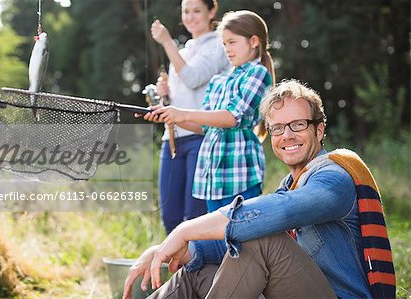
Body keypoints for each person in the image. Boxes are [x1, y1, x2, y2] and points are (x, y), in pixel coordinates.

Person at [124, 79, 396, 299]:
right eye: (277, 128)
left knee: (262, 236)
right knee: (198, 270)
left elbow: (281, 212)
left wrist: (184, 230)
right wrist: (181, 250)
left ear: (320, 129)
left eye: (298, 125)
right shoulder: (290, 184)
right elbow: (240, 241)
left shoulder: (335, 177)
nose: (286, 135)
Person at [146, 10, 276, 212]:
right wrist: (168, 115)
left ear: (254, 42)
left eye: (232, 42)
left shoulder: (257, 73)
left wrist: (183, 113)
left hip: (240, 175)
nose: (227, 49)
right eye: (224, 44)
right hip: (213, 180)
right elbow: (203, 126)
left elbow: (232, 117)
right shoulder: (218, 80)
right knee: (212, 240)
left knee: (239, 238)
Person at [149, 0, 231, 234]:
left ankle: (199, 270)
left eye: (197, 11)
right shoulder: (184, 50)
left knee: (194, 217)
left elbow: (193, 77)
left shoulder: (219, 44)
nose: (191, 17)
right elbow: (178, 97)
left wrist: (166, 42)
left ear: (211, 11)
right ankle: (178, 271)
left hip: (201, 138)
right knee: (170, 217)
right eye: (186, 11)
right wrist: (165, 93)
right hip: (172, 140)